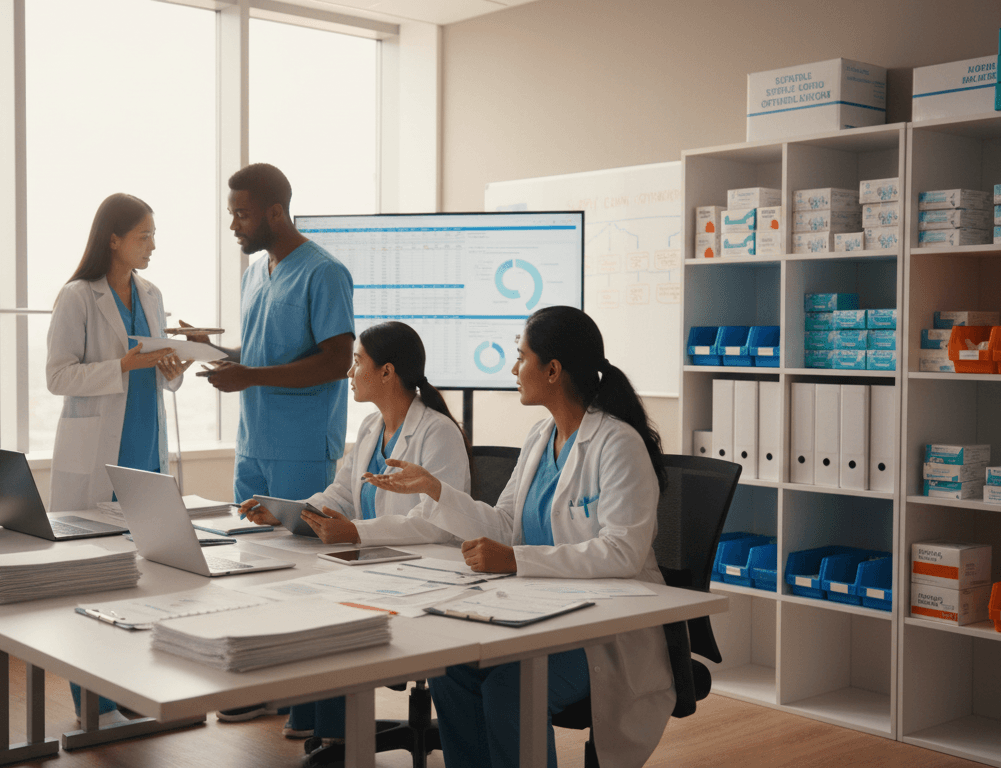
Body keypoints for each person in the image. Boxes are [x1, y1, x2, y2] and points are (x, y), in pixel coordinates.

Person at [361, 305, 674, 768]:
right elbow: (504, 525)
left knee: (513, 683)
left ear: (552, 370)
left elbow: (622, 552)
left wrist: (516, 560)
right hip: (537, 610)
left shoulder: (617, 444)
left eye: (520, 356)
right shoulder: (539, 437)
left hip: (602, 628)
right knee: (453, 669)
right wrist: (435, 489)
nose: (513, 369)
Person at [174, 163, 354, 736]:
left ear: (275, 212)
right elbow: (258, 353)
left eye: (242, 213)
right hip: (254, 442)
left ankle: (312, 703)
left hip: (301, 446)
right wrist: (214, 350)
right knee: (252, 567)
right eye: (231, 212)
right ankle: (262, 686)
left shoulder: (325, 273)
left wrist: (250, 375)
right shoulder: (256, 272)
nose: (233, 223)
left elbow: (335, 361)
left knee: (300, 574)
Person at [236, 320, 472, 749]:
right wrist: (291, 513)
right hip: (374, 563)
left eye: (358, 362)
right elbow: (342, 492)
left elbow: (436, 524)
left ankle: (338, 736)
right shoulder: (370, 426)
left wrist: (355, 532)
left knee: (331, 608)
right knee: (301, 593)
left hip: (423, 572)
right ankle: (326, 727)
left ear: (387, 371)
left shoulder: (438, 433)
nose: (349, 372)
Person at [44, 193, 190, 725]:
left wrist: (174, 365)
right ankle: (93, 706)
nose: (153, 244)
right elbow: (58, 376)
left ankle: (131, 693)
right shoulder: (77, 296)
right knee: (91, 583)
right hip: (97, 463)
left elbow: (161, 375)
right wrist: (121, 365)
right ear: (114, 239)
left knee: (142, 586)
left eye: (153, 234)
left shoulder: (151, 293)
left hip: (146, 458)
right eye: (144, 235)